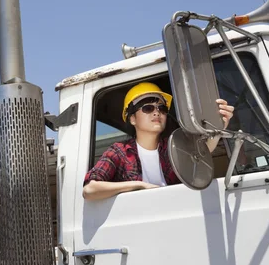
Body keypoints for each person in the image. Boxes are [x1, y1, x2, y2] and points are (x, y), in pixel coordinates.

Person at [83, 82, 234, 200]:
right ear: (132, 118)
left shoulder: (174, 146)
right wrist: (139, 186)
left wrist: (219, 126)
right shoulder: (119, 152)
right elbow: (90, 189)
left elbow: (202, 153)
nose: (156, 112)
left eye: (161, 108)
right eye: (147, 108)